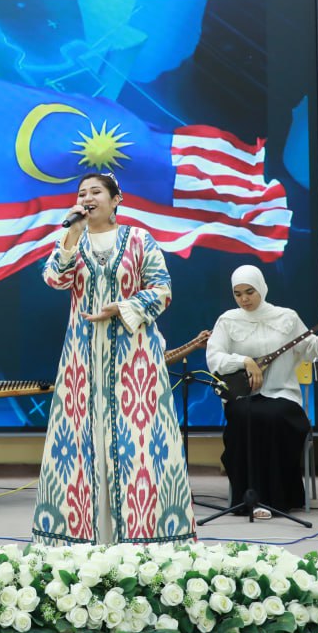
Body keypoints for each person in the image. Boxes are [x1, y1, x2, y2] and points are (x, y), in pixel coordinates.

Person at [32, 172, 195, 545]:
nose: (87, 198)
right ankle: (84, 541)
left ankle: (144, 540)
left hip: (135, 358)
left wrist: (122, 308)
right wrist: (71, 236)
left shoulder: (139, 239)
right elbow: (54, 279)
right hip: (83, 359)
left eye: (95, 192)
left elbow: (162, 289)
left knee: (139, 445)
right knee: (82, 444)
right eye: (82, 194)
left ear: (116, 198)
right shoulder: (72, 239)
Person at [205, 265, 318, 519]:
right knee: (243, 416)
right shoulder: (227, 320)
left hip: (283, 394)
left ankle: (278, 497)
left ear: (261, 288)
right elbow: (214, 358)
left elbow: (316, 351)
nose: (244, 299)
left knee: (274, 416)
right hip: (244, 397)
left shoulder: (287, 318)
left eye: (249, 292)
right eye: (238, 294)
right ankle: (247, 498)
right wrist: (244, 361)